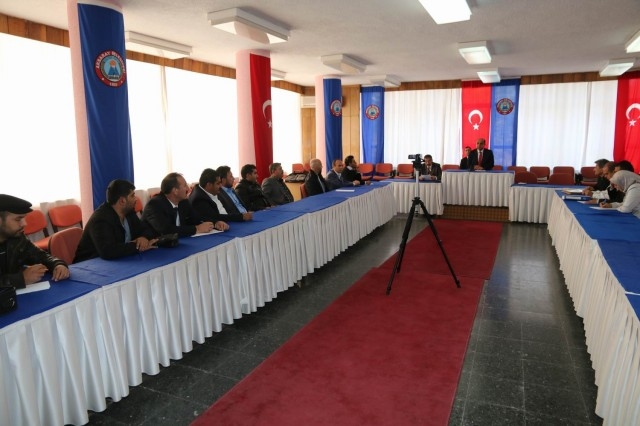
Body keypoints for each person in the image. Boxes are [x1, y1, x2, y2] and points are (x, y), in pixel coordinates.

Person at [74, 180, 158, 262]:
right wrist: (137, 245)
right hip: (89, 264)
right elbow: (108, 251)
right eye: (132, 196)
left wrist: (143, 238)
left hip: (118, 261)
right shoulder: (101, 219)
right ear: (122, 201)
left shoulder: (129, 212)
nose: (136, 199)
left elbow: (146, 229)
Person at [0, 194, 69, 288]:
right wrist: (21, 279)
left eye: (24, 218)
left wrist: (57, 264)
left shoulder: (18, 239)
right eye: (18, 219)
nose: (24, 224)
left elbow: (41, 256)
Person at [142, 172, 214, 237]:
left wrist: (215, 223)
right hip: (155, 244)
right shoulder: (154, 205)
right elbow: (166, 230)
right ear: (175, 191)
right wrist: (196, 229)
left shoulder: (183, 202)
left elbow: (196, 218)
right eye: (185, 185)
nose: (188, 188)